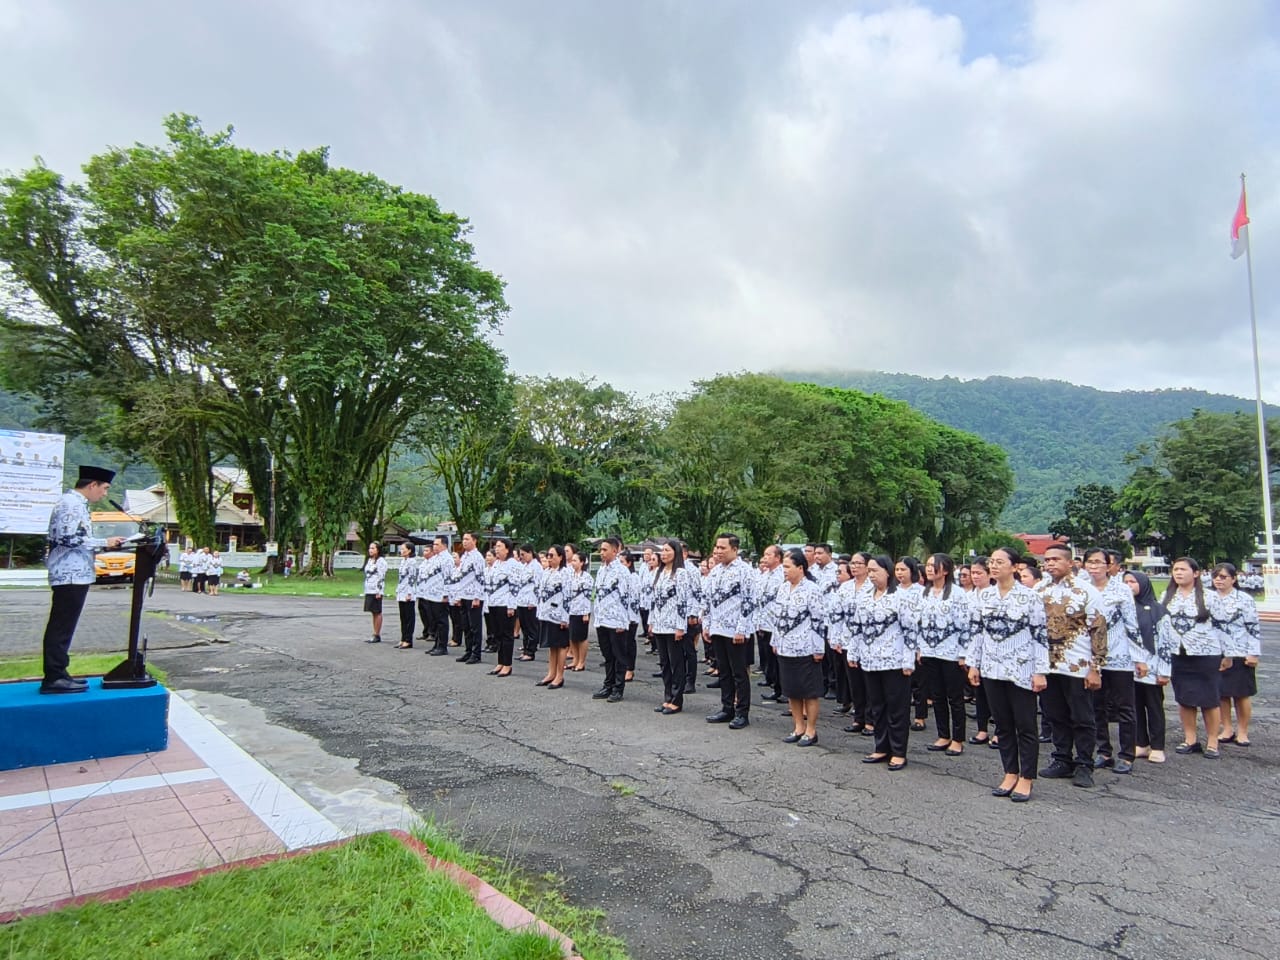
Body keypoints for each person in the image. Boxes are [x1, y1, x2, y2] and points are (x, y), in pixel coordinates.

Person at [966, 546, 1049, 801]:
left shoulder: (1029, 597)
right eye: (992, 561)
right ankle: (1010, 772)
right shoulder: (985, 596)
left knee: (1025, 725)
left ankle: (1026, 777)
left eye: (1000, 562)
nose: (994, 566)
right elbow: (976, 632)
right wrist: (973, 664)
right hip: (992, 668)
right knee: (1002, 724)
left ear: (1014, 567)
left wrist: (1040, 671)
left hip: (1021, 669)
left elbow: (1040, 635)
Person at [39, 465, 125, 694]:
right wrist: (104, 542)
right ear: (92, 484)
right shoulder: (71, 504)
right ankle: (54, 677)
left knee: (65, 626)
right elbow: (67, 538)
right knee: (61, 627)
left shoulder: (77, 504)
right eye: (104, 488)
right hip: (69, 573)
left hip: (76, 573)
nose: (105, 494)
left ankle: (59, 672)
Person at [1035, 543, 1108, 788]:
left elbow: (1098, 630)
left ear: (1070, 562)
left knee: (1082, 717)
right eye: (1047, 560)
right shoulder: (1039, 590)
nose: (1050, 563)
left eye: (1056, 559)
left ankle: (1085, 763)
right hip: (1048, 664)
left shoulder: (1086, 591)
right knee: (1055, 715)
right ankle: (1062, 758)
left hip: (1078, 665)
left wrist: (1096, 667)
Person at [848, 555, 916, 770]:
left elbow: (910, 630)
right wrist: (853, 653)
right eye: (869, 571)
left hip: (894, 661)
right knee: (877, 706)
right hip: (870, 659)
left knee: (896, 707)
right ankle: (881, 746)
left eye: (875, 570)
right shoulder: (865, 597)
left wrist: (909, 660)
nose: (871, 575)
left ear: (887, 571)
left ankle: (898, 751)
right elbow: (856, 627)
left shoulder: (900, 597)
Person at [1083, 548, 1143, 774]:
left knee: (1124, 707)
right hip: (1091, 658)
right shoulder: (1082, 588)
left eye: (1099, 562)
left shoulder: (1121, 590)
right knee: (1096, 706)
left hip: (1119, 655)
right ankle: (1103, 751)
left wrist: (1139, 658)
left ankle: (1127, 754)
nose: (1094, 566)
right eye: (1090, 562)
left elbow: (1132, 624)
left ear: (1109, 566)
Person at [1163, 557, 1225, 758]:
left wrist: (1229, 654)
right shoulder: (1168, 595)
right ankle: (1190, 739)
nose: (1178, 573)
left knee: (1209, 699)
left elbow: (1222, 626)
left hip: (1206, 654)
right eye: (1175, 569)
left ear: (1196, 573)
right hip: (1178, 654)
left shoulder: (1210, 596)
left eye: (1183, 569)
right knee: (1185, 698)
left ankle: (1213, 741)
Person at [914, 553, 971, 756]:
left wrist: (963, 654)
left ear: (945, 570)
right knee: (937, 695)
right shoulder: (924, 593)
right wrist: (919, 648)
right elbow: (918, 623)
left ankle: (958, 738)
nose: (929, 569)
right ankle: (943, 735)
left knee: (954, 697)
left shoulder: (957, 594)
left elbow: (965, 625)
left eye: (934, 565)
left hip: (951, 653)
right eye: (928, 565)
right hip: (929, 652)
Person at [771, 548, 827, 746]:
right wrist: (775, 641)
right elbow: (777, 617)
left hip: (805, 648)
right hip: (785, 647)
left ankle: (811, 730)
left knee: (808, 691)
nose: (784, 571)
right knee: (792, 690)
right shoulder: (783, 588)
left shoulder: (812, 589)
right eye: (783, 567)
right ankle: (798, 727)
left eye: (788, 567)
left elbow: (819, 621)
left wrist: (819, 648)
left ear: (800, 567)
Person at [703, 533, 757, 729]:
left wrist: (741, 629)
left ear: (734, 549)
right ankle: (727, 708)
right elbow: (707, 600)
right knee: (724, 671)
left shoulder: (745, 571)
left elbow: (749, 601)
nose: (718, 551)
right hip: (718, 628)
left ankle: (742, 712)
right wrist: (706, 624)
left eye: (722, 548)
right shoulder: (716, 571)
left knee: (739, 673)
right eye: (716, 547)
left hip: (736, 631)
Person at [1124, 571, 1175, 763]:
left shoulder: (1158, 610)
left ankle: (1157, 746)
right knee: (1134, 706)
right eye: (1125, 581)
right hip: (1130, 667)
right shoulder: (1125, 608)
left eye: (1133, 581)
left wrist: (1164, 671)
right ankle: (1141, 743)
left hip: (1152, 666)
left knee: (1154, 707)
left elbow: (1165, 643)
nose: (1128, 585)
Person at [1209, 562, 1261, 747]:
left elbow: (1253, 627)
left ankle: (1243, 731)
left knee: (1241, 694)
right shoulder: (1209, 597)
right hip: (1215, 651)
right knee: (1221, 694)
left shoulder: (1244, 599)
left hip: (1239, 650)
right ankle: (1227, 728)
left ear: (1233, 578)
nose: (1218, 580)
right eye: (1215, 576)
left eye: (1223, 577)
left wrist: (1253, 653)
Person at [649, 539, 694, 714]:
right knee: (664, 663)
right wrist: (651, 622)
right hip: (659, 623)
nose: (664, 554)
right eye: (663, 551)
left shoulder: (681, 574)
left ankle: (676, 699)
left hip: (673, 624)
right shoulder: (659, 572)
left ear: (676, 553)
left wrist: (680, 627)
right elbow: (654, 600)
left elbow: (683, 601)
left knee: (676, 662)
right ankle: (667, 697)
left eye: (668, 550)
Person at [592, 537, 633, 703]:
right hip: (602, 619)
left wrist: (623, 622)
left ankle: (618, 688)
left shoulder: (622, 571)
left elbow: (626, 598)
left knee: (619, 655)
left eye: (605, 550)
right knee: (607, 655)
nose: (601, 553)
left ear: (615, 551)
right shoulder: (602, 570)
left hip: (616, 620)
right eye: (601, 550)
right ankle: (608, 684)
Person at [534, 545, 570, 688]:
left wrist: (565, 618)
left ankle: (559, 676)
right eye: (547, 555)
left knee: (561, 645)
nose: (549, 558)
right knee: (552, 645)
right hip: (546, 614)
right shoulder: (546, 572)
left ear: (560, 557)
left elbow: (568, 596)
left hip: (559, 614)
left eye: (552, 555)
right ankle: (551, 673)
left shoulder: (565, 573)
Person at [754, 545, 785, 705]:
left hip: (776, 623)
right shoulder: (764, 575)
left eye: (768, 555)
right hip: (764, 622)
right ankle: (776, 687)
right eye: (764, 554)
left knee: (779, 660)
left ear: (777, 557)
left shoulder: (783, 575)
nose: (765, 557)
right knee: (769, 658)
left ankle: (784, 690)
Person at [486, 537, 519, 677]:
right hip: (494, 603)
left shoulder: (512, 564)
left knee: (506, 635)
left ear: (507, 549)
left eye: (499, 546)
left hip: (505, 604)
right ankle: (500, 662)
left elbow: (514, 586)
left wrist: (511, 606)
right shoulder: (496, 563)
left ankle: (507, 664)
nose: (497, 549)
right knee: (498, 634)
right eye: (496, 546)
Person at [453, 532, 487, 664]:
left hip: (474, 596)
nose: (464, 541)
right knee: (466, 626)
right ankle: (468, 651)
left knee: (475, 626)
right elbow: (461, 577)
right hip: (464, 595)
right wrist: (458, 595)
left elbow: (480, 578)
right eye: (463, 539)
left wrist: (477, 597)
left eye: (467, 539)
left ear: (474, 541)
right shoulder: (464, 556)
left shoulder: (477, 557)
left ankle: (476, 653)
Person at [565, 550, 594, 673]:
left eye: (575, 560)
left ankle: (581, 661)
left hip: (582, 611)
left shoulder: (586, 577)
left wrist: (586, 613)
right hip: (571, 610)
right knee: (572, 637)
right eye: (572, 560)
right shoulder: (570, 575)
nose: (573, 563)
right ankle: (575, 659)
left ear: (582, 562)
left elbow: (588, 597)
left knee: (581, 637)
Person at [394, 542, 419, 649]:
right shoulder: (403, 561)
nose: (401, 551)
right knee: (403, 617)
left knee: (409, 617)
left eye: (403, 549)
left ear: (409, 550)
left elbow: (412, 578)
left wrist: (409, 593)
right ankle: (403, 638)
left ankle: (408, 640)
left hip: (408, 592)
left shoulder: (412, 562)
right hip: (401, 591)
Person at [362, 542, 388, 643]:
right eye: (370, 548)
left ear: (378, 550)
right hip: (369, 589)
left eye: (373, 548)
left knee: (377, 611)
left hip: (376, 590)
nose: (370, 550)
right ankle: (374, 632)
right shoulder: (370, 560)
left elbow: (381, 577)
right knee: (373, 612)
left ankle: (377, 634)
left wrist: (379, 591)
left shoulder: (381, 561)